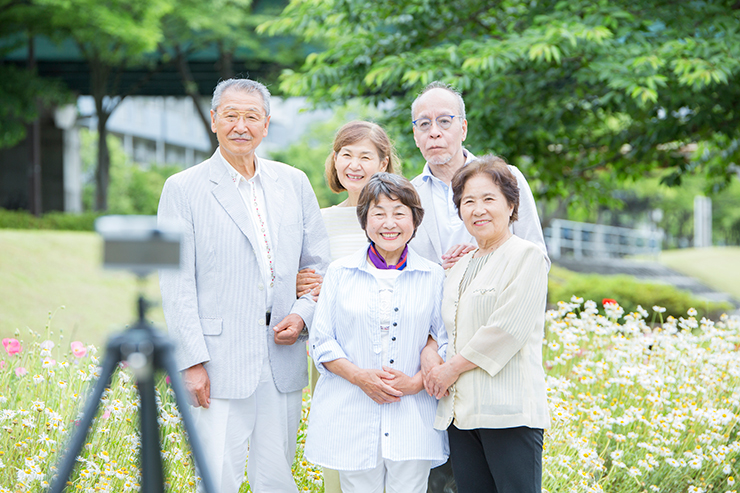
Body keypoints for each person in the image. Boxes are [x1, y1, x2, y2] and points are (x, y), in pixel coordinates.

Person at [157, 78, 330, 493]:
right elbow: (175, 283)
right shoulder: (183, 188)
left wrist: (301, 315)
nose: (241, 125)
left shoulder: (294, 182)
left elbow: (319, 266)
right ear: (214, 120)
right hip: (217, 363)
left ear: (266, 124)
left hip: (282, 354)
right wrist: (192, 361)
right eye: (231, 115)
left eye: (251, 116)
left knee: (277, 479)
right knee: (217, 476)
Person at [305, 173, 448, 493]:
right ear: (365, 220)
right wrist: (360, 377)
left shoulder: (433, 276)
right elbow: (322, 342)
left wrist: (414, 383)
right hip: (352, 412)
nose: (389, 223)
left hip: (412, 415)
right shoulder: (340, 273)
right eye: (379, 213)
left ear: (414, 219)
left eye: (399, 213)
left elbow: (445, 337)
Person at [424, 155, 550, 493]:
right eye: (468, 201)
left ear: (511, 205)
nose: (478, 209)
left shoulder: (526, 256)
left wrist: (449, 369)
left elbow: (506, 330)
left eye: (488, 199)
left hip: (507, 412)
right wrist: (432, 353)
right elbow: (444, 324)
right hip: (461, 415)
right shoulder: (460, 264)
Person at [296, 120, 399, 493]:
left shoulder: (400, 218)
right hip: (335, 354)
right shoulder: (320, 220)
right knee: (340, 454)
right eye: (346, 155)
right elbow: (305, 277)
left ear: (384, 162)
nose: (354, 165)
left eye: (365, 156)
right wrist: (301, 282)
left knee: (392, 460)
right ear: (335, 160)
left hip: (392, 352)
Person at [408, 81, 549, 270]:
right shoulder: (407, 195)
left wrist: (479, 262)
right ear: (416, 136)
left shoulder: (507, 177)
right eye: (424, 124)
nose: (434, 132)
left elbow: (537, 259)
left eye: (444, 121)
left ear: (463, 129)